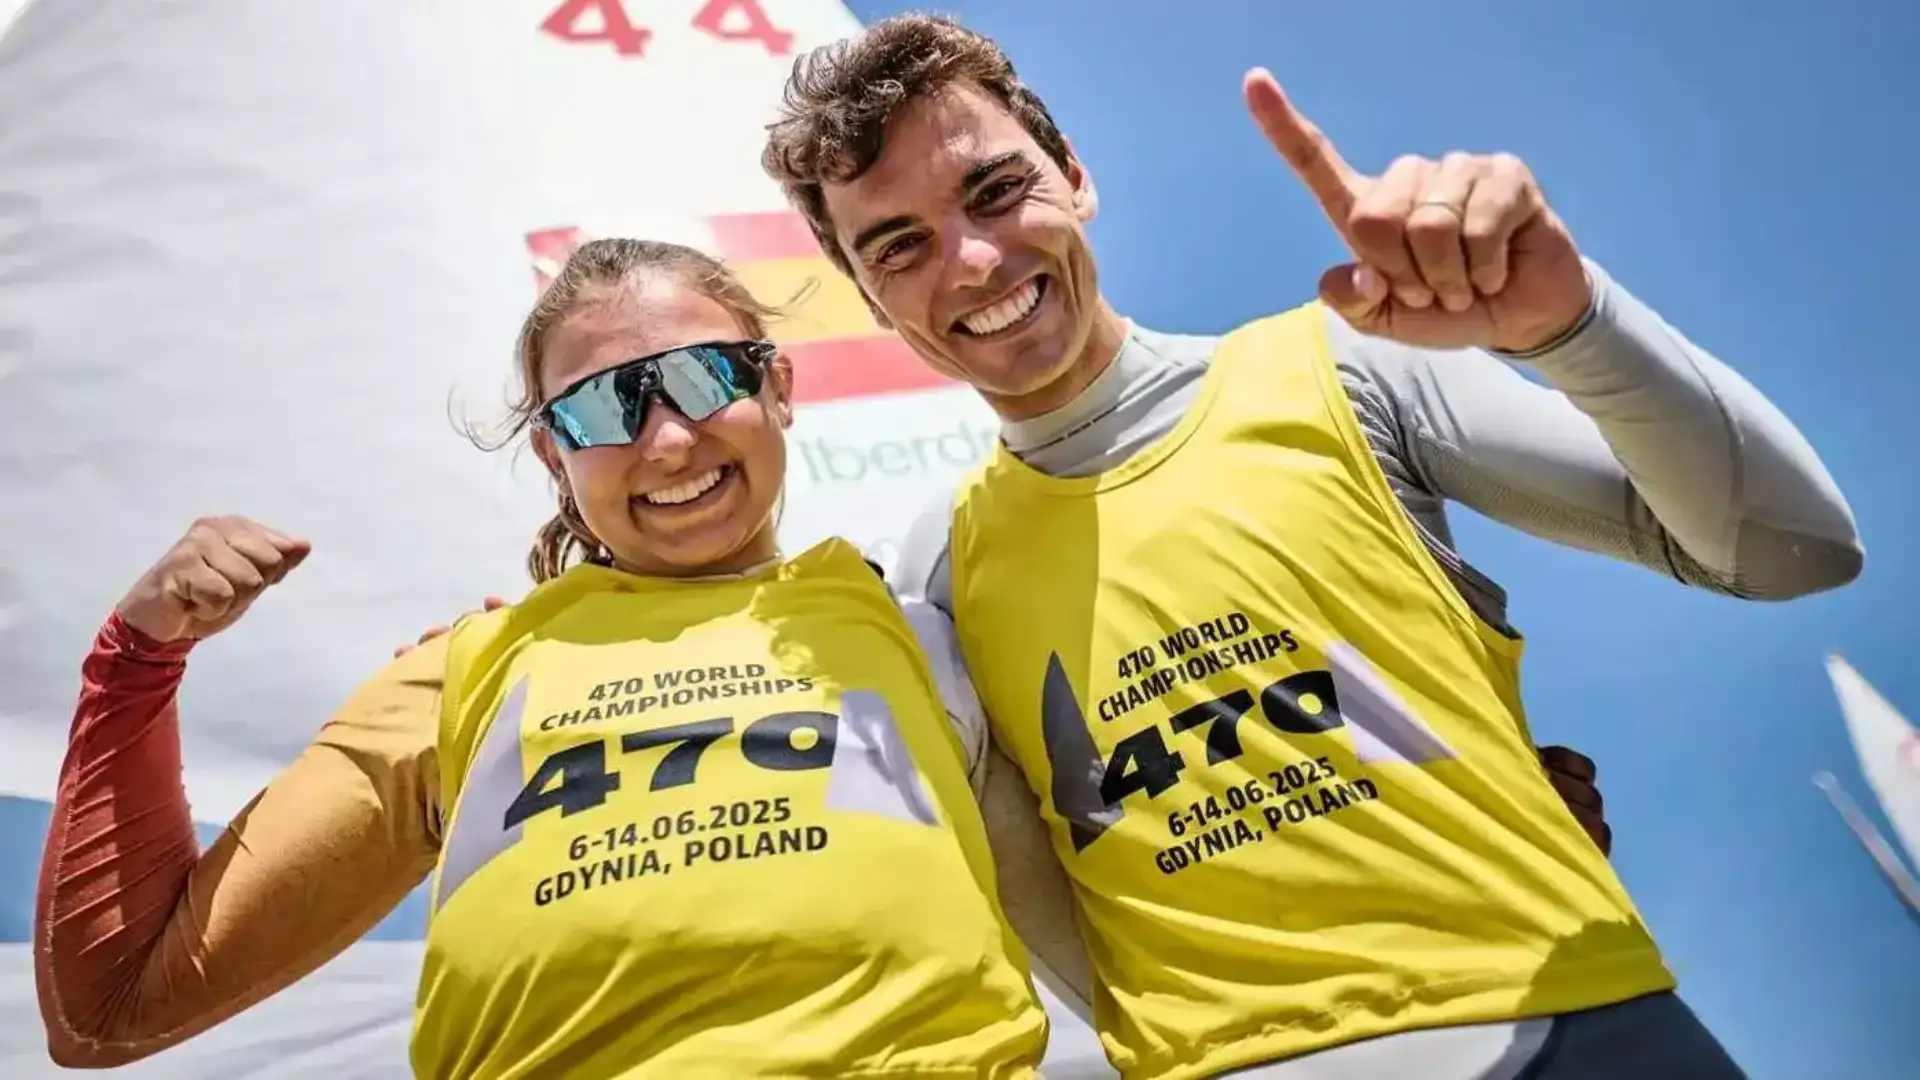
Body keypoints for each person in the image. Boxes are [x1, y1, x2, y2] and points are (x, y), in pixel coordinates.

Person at [757, 13, 1863, 1080]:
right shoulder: (932, 576)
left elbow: (1792, 549)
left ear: (1076, 176)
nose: (972, 261)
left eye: (995, 190)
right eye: (899, 247)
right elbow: (1042, 919)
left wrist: (1568, 324)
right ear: (870, 298)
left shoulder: (1343, 369)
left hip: (1570, 1033)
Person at [35, 238, 1064, 1078]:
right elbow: (112, 1008)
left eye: (704, 378)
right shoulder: (461, 677)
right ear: (551, 455)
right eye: (604, 407)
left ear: (779, 387)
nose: (666, 440)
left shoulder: (930, 625)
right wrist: (138, 659)